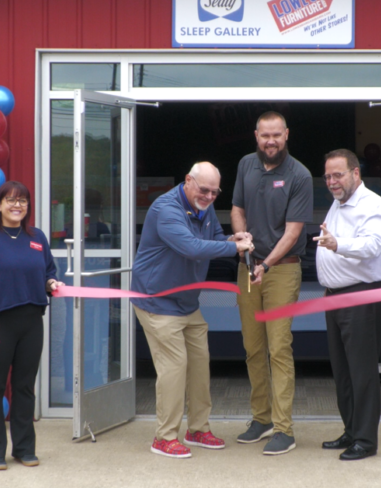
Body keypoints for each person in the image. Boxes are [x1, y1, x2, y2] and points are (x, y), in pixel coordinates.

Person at [131, 162, 254, 459]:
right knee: (174, 368)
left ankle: (197, 429)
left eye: (215, 192)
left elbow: (210, 241)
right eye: (204, 189)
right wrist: (234, 249)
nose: (209, 196)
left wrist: (230, 239)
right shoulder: (166, 208)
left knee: (199, 366)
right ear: (188, 181)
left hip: (188, 302)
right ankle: (164, 437)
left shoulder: (204, 206)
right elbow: (191, 247)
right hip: (157, 302)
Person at [0, 181, 63, 471]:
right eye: (11, 200)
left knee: (24, 388)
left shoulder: (37, 238)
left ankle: (24, 449)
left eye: (22, 201)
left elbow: (47, 273)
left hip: (32, 322)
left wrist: (51, 283)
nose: (17, 206)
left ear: (28, 207)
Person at [230, 111, 313, 456]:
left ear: (287, 134)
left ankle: (285, 429)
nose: (271, 141)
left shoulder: (300, 175)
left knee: (278, 348)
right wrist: (242, 235)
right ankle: (261, 419)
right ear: (256, 135)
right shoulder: (246, 164)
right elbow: (237, 208)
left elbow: (294, 231)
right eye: (265, 135)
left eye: (276, 135)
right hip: (248, 268)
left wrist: (265, 263)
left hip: (281, 270)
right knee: (252, 347)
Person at [313, 149, 381, 461]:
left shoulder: (372, 205)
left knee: (361, 372)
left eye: (338, 175)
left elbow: (373, 245)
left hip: (360, 296)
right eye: (328, 176)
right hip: (336, 296)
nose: (332, 181)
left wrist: (338, 245)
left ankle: (365, 440)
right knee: (343, 370)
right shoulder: (339, 203)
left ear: (356, 174)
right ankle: (351, 430)